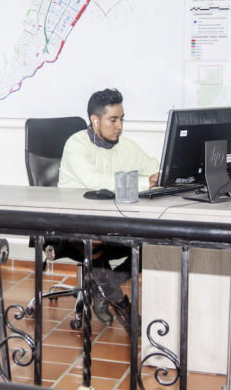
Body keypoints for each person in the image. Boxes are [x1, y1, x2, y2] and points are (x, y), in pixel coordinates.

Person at [58, 88, 158, 332]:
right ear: (95, 120)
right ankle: (121, 303)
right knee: (94, 241)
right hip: (71, 225)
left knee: (160, 240)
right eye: (113, 120)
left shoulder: (126, 146)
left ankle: (103, 286)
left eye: (122, 119)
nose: (119, 126)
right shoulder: (76, 145)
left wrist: (162, 176)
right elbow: (95, 180)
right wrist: (145, 183)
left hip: (110, 223)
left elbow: (154, 168)